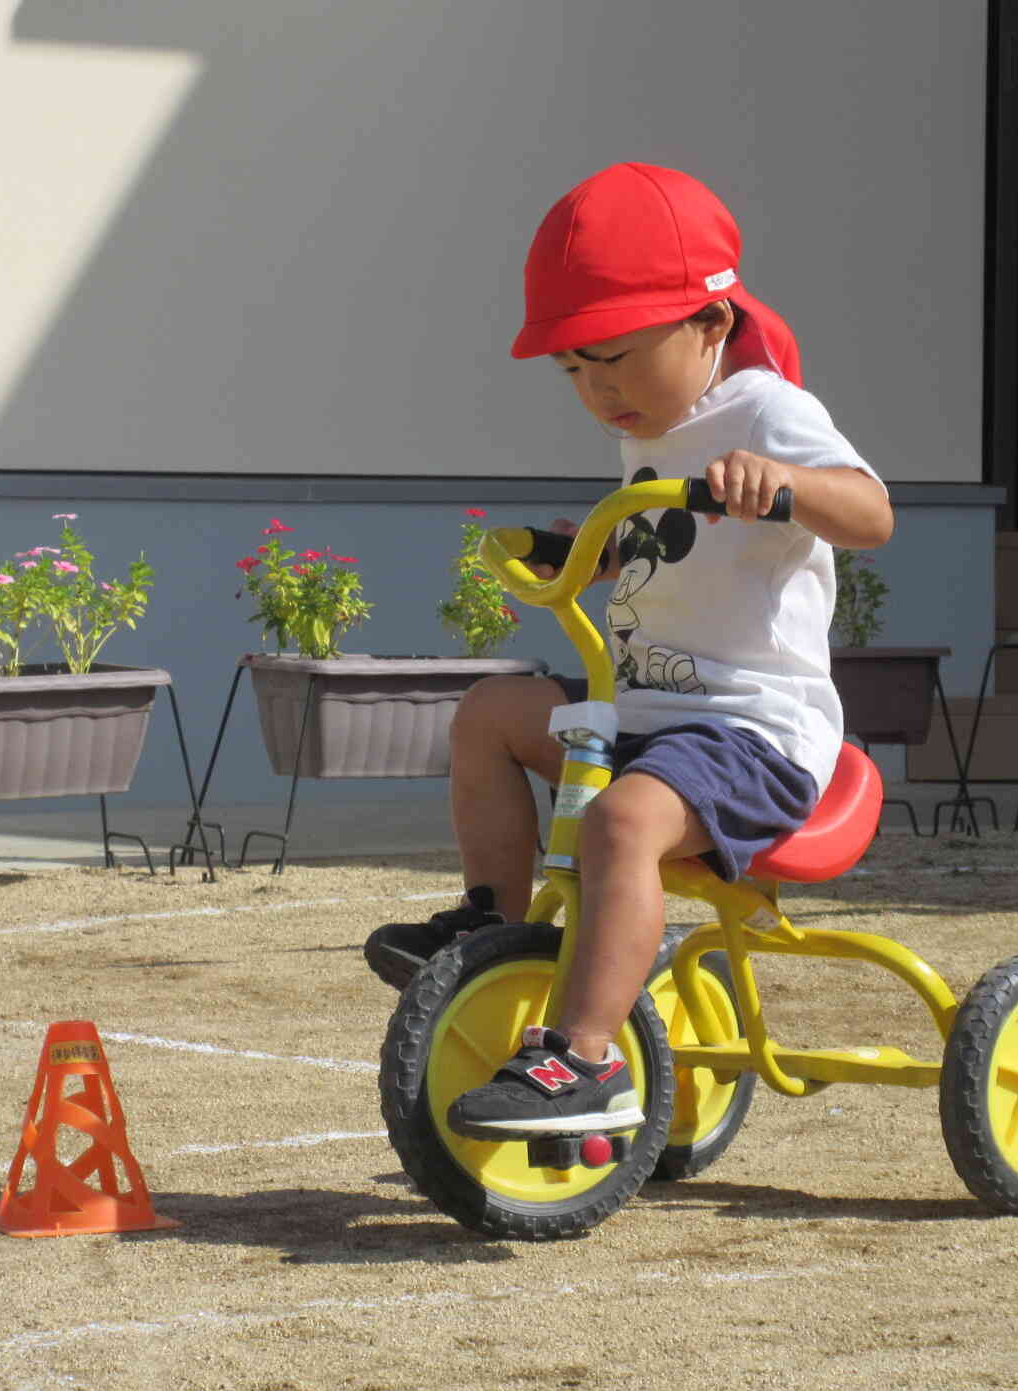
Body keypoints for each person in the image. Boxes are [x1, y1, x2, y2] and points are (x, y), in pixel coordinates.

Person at [365, 162, 892, 1138]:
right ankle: (493, 921)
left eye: (611, 357)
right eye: (572, 371)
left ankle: (585, 1061)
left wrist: (779, 484)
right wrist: (589, 553)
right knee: (488, 714)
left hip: (750, 732)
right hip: (646, 710)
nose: (595, 388)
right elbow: (664, 550)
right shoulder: (653, 426)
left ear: (708, 326)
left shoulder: (767, 414)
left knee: (616, 826)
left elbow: (870, 515)